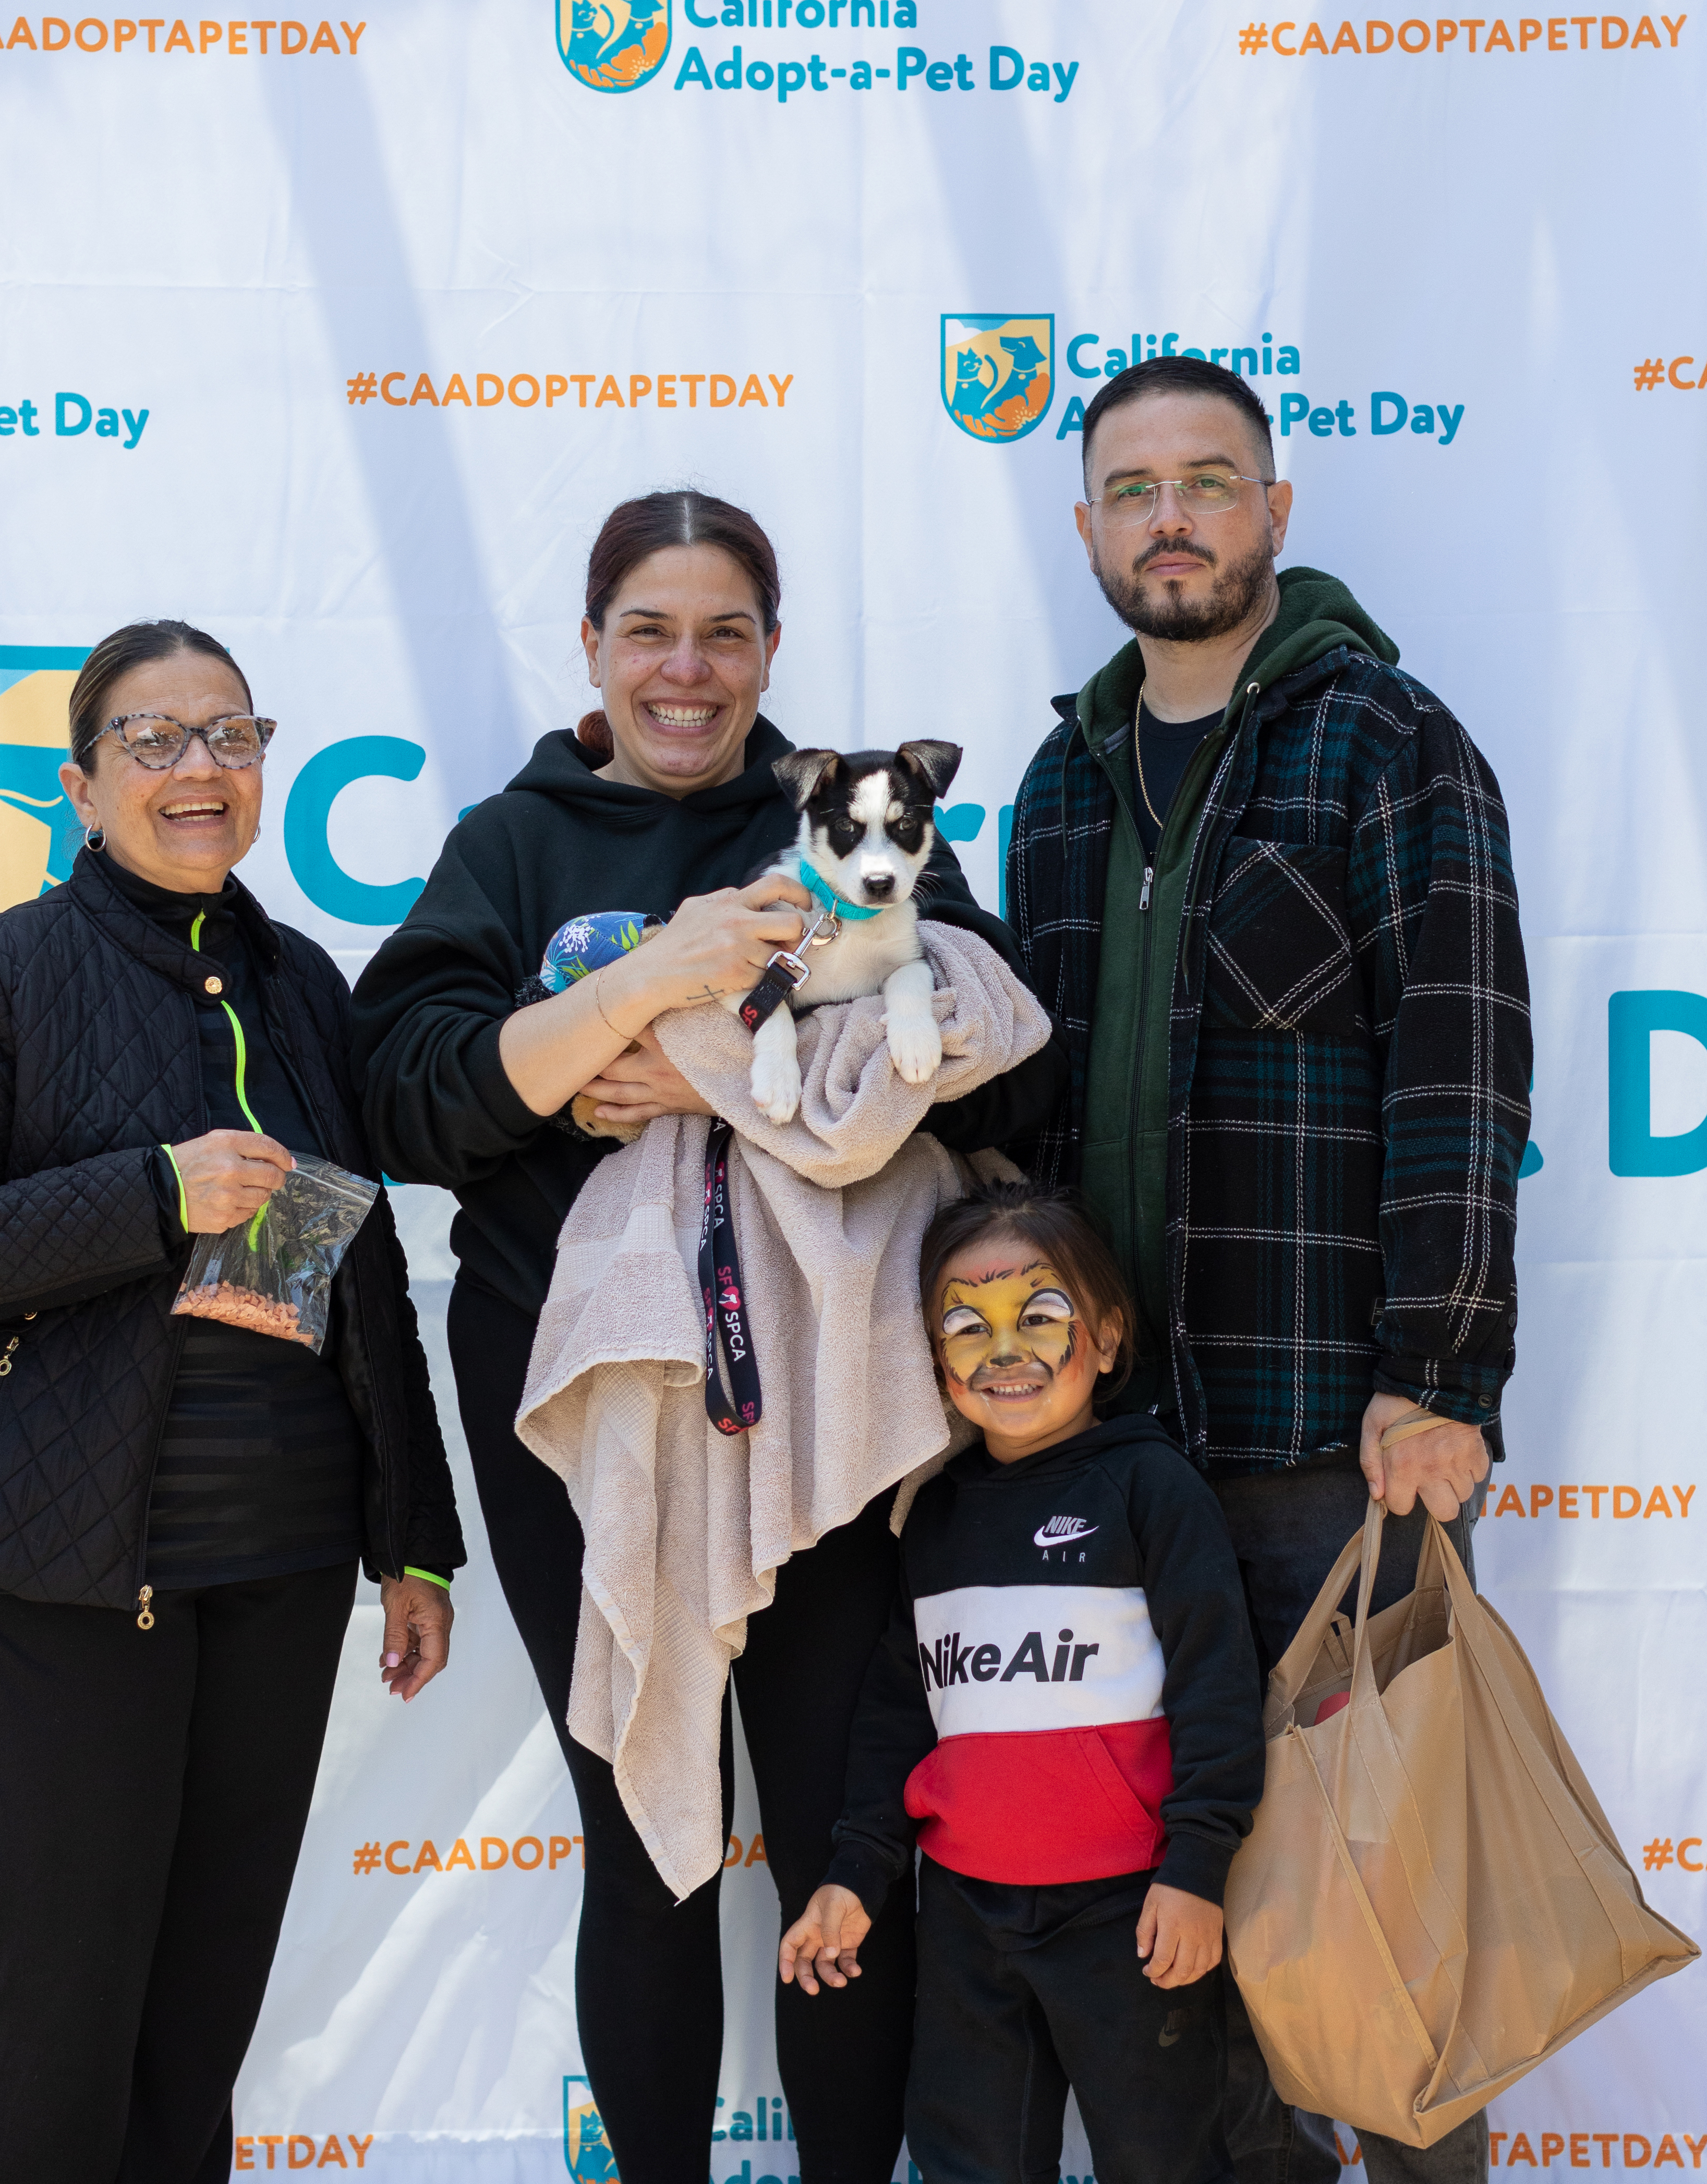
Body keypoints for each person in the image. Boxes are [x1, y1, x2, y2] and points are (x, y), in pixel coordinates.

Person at [350, 489, 1063, 2184]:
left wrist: (711, 1074)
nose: (688, 669)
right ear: (592, 647)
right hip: (585, 1398)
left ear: (771, 649)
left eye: (726, 631)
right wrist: (612, 1007)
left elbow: (1000, 1051)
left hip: (828, 1400)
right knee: (645, 1833)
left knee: (835, 1830)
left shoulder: (849, 822)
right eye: (650, 631)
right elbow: (400, 1091)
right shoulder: (519, 846)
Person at [0, 620, 464, 2184]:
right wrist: (152, 1190)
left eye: (230, 737)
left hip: (275, 1568)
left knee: (203, 2004)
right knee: (66, 2000)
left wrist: (416, 1539)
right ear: (80, 782)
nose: (200, 769)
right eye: (155, 740)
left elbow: (367, 1271)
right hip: (54, 1562)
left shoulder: (307, 983)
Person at [1004, 356, 1531, 2184]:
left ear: (1277, 513)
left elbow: (1462, 1060)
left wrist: (1444, 1374)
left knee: (1385, 1924)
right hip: (1112, 1461)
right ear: (1088, 528)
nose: (1173, 518)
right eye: (1135, 488)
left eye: (1211, 482)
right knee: (1181, 1928)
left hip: (1335, 1448)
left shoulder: (1385, 741)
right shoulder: (1058, 785)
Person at [778, 1180, 1262, 2184]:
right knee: (970, 2163)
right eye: (966, 1326)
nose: (1004, 1352)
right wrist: (855, 1872)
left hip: (1130, 1910)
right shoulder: (935, 1518)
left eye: (1040, 1317)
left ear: (1109, 1334)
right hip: (965, 1919)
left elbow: (1218, 1681)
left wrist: (1196, 1869)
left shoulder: (1150, 1487)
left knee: (1166, 2162)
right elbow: (901, 1715)